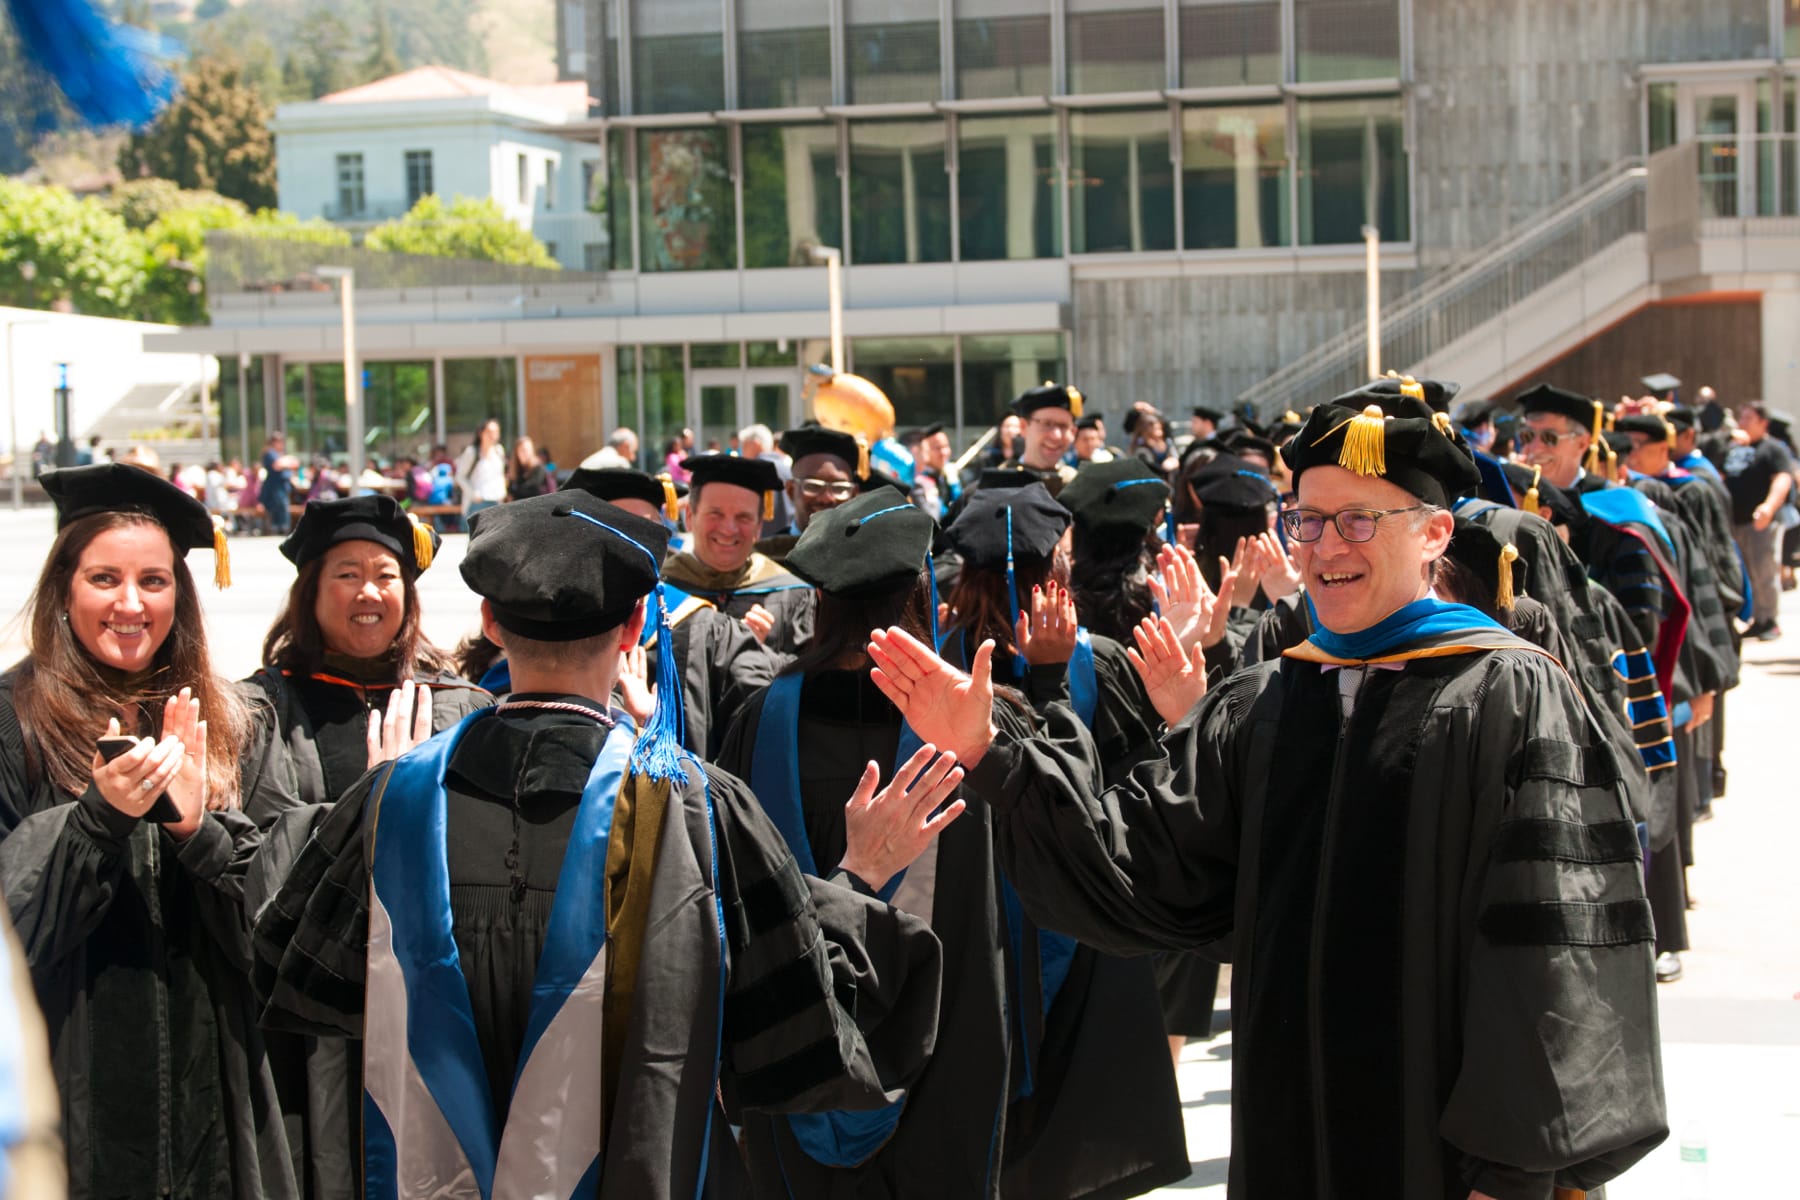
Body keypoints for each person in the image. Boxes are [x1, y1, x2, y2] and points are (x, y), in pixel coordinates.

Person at [868, 393, 1668, 1198]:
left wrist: (1510, 1170)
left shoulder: (1510, 694)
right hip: (1286, 1138)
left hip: (1450, 1159)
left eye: (1359, 519)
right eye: (1308, 520)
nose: (1326, 546)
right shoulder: (1268, 702)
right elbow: (1143, 865)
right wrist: (992, 753)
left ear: (1433, 533)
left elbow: (1554, 951)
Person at [249, 488, 950, 1196]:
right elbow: (790, 1041)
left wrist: (364, 814)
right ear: (633, 626)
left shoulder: (393, 801)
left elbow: (299, 980)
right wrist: (858, 877)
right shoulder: (696, 810)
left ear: (491, 622)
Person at [0, 464, 298, 1199]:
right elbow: (11, 936)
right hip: (69, 1087)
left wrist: (201, 831)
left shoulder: (235, 719)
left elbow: (285, 922)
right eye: (104, 578)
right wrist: (95, 823)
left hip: (217, 1095)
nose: (130, 604)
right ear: (64, 590)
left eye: (154, 581)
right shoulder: (13, 722)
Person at [562, 466, 781, 758]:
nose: (638, 544)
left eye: (650, 529)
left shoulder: (701, 626)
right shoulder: (547, 628)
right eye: (621, 530)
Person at [659, 455, 817, 653]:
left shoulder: (793, 594)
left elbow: (808, 676)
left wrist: (760, 654)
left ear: (759, 527)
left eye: (743, 517)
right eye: (715, 514)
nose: (728, 529)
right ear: (690, 517)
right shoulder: (661, 592)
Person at [1722, 400, 1795, 640]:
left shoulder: (1773, 449)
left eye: (1748, 419)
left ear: (1763, 423)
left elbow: (1783, 479)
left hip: (1761, 520)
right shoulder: (1734, 447)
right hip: (1736, 520)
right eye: (1741, 417)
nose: (1742, 423)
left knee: (1764, 569)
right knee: (1747, 572)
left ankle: (1769, 620)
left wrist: (1769, 507)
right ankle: (1757, 618)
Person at [755, 425, 867, 562]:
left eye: (839, 488)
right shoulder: (766, 556)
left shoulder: (868, 556)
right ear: (791, 490)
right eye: (813, 486)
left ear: (854, 495)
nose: (827, 498)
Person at [995, 385, 1081, 498]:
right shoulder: (998, 484)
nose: (1056, 435)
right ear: (1023, 427)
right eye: (1046, 424)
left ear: (1073, 432)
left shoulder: (1079, 487)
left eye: (1064, 426)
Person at [455, 418, 508, 522]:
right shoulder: (472, 452)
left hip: (497, 501)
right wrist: (473, 494)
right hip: (478, 503)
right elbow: (460, 476)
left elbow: (500, 474)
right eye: (489, 432)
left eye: (496, 432)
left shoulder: (499, 451)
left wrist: (503, 492)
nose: (492, 435)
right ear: (481, 433)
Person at [260, 432, 300, 535]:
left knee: (283, 507)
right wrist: (287, 461)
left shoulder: (279, 454)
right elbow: (277, 465)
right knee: (278, 507)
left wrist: (286, 462)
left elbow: (295, 463)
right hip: (275, 486)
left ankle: (283, 528)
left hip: (282, 486)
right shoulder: (270, 453)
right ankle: (279, 529)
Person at [505, 435, 551, 501]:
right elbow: (510, 492)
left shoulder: (539, 469)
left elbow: (532, 489)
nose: (525, 453)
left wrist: (516, 490)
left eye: (527, 450)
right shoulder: (516, 471)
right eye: (522, 450)